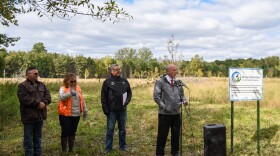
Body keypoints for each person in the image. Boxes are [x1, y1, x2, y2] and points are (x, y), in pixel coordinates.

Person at [153, 64, 187, 156]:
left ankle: (175, 152)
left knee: (176, 134)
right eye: (173, 70)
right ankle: (160, 153)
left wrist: (184, 100)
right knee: (162, 135)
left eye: (176, 70)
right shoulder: (160, 82)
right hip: (164, 114)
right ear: (167, 71)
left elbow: (182, 95)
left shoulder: (178, 82)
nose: (175, 72)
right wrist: (164, 107)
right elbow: (156, 97)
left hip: (176, 113)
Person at [17, 67, 52, 156]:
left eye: (37, 73)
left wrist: (44, 102)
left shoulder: (42, 85)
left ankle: (38, 154)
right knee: (28, 138)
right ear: (28, 74)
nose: (37, 75)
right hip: (28, 117)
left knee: (38, 138)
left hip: (40, 116)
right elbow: (24, 98)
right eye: (35, 73)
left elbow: (48, 96)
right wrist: (38, 103)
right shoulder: (22, 86)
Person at [101, 64, 132, 153]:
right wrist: (105, 108)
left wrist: (127, 101)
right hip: (111, 111)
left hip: (122, 110)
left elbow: (129, 92)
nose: (118, 71)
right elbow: (103, 97)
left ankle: (123, 146)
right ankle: (108, 148)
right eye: (116, 70)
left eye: (119, 69)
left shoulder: (124, 81)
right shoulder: (107, 82)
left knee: (122, 129)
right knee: (110, 129)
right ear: (111, 71)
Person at [58, 73, 88, 153]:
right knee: (65, 131)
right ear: (67, 81)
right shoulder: (63, 88)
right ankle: (64, 150)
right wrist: (70, 93)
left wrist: (85, 110)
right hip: (65, 115)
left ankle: (71, 149)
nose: (74, 82)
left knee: (73, 131)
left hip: (76, 114)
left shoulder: (78, 88)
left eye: (75, 80)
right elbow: (62, 97)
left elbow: (82, 100)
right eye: (72, 81)